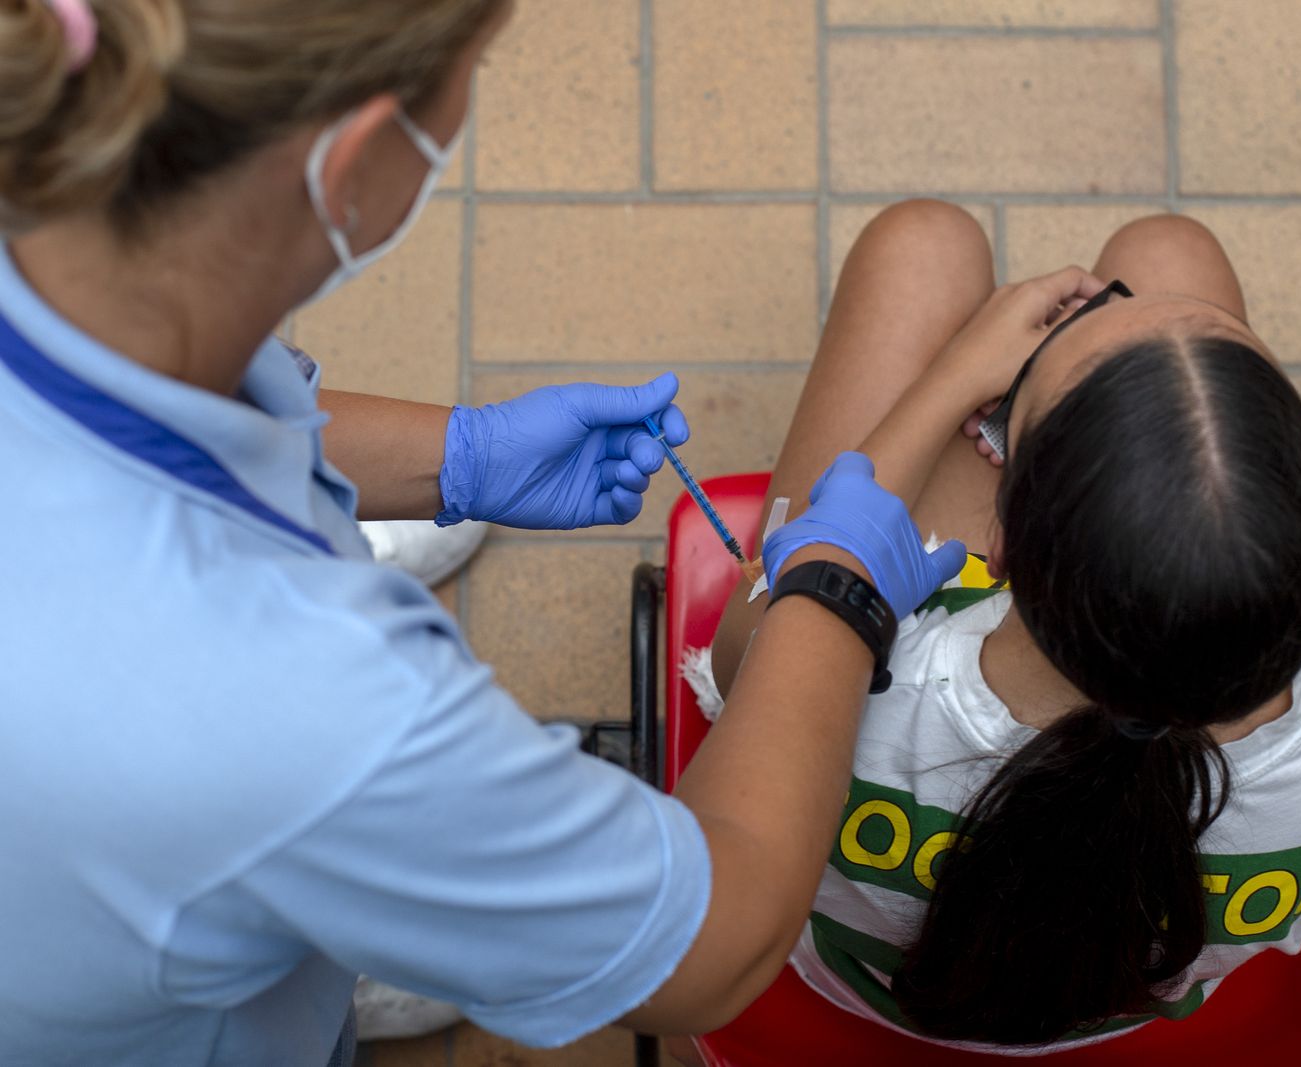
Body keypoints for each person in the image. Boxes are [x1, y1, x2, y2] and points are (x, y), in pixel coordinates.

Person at [0, 3, 972, 1065]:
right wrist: (834, 590)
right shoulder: (307, 706)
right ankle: (356, 911)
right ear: (355, 157)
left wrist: (454, 456)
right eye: (474, 71)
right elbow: (713, 949)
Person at [699, 201, 1301, 1055]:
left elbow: (743, 665)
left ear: (1000, 541)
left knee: (924, 242)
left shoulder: (873, 677)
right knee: (1174, 249)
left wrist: (952, 378)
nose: (1111, 307)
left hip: (847, 987)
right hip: (1126, 1016)